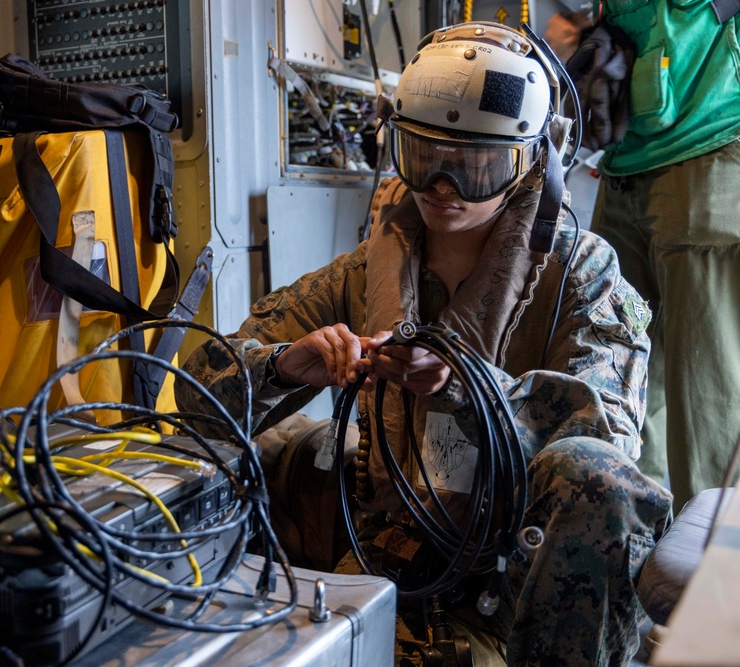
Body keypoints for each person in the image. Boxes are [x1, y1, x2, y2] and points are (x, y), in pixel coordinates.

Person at [176, 22, 672, 666]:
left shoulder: (582, 273)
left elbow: (609, 436)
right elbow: (197, 391)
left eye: (475, 166)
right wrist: (283, 367)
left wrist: (464, 384)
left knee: (595, 474)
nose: (443, 187)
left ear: (533, 162)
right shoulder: (366, 269)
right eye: (426, 157)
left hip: (520, 573)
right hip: (392, 553)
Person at [548, 3, 740, 513]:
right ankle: (633, 555)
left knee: (705, 392)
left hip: (707, 152)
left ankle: (712, 578)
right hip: (627, 164)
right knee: (619, 373)